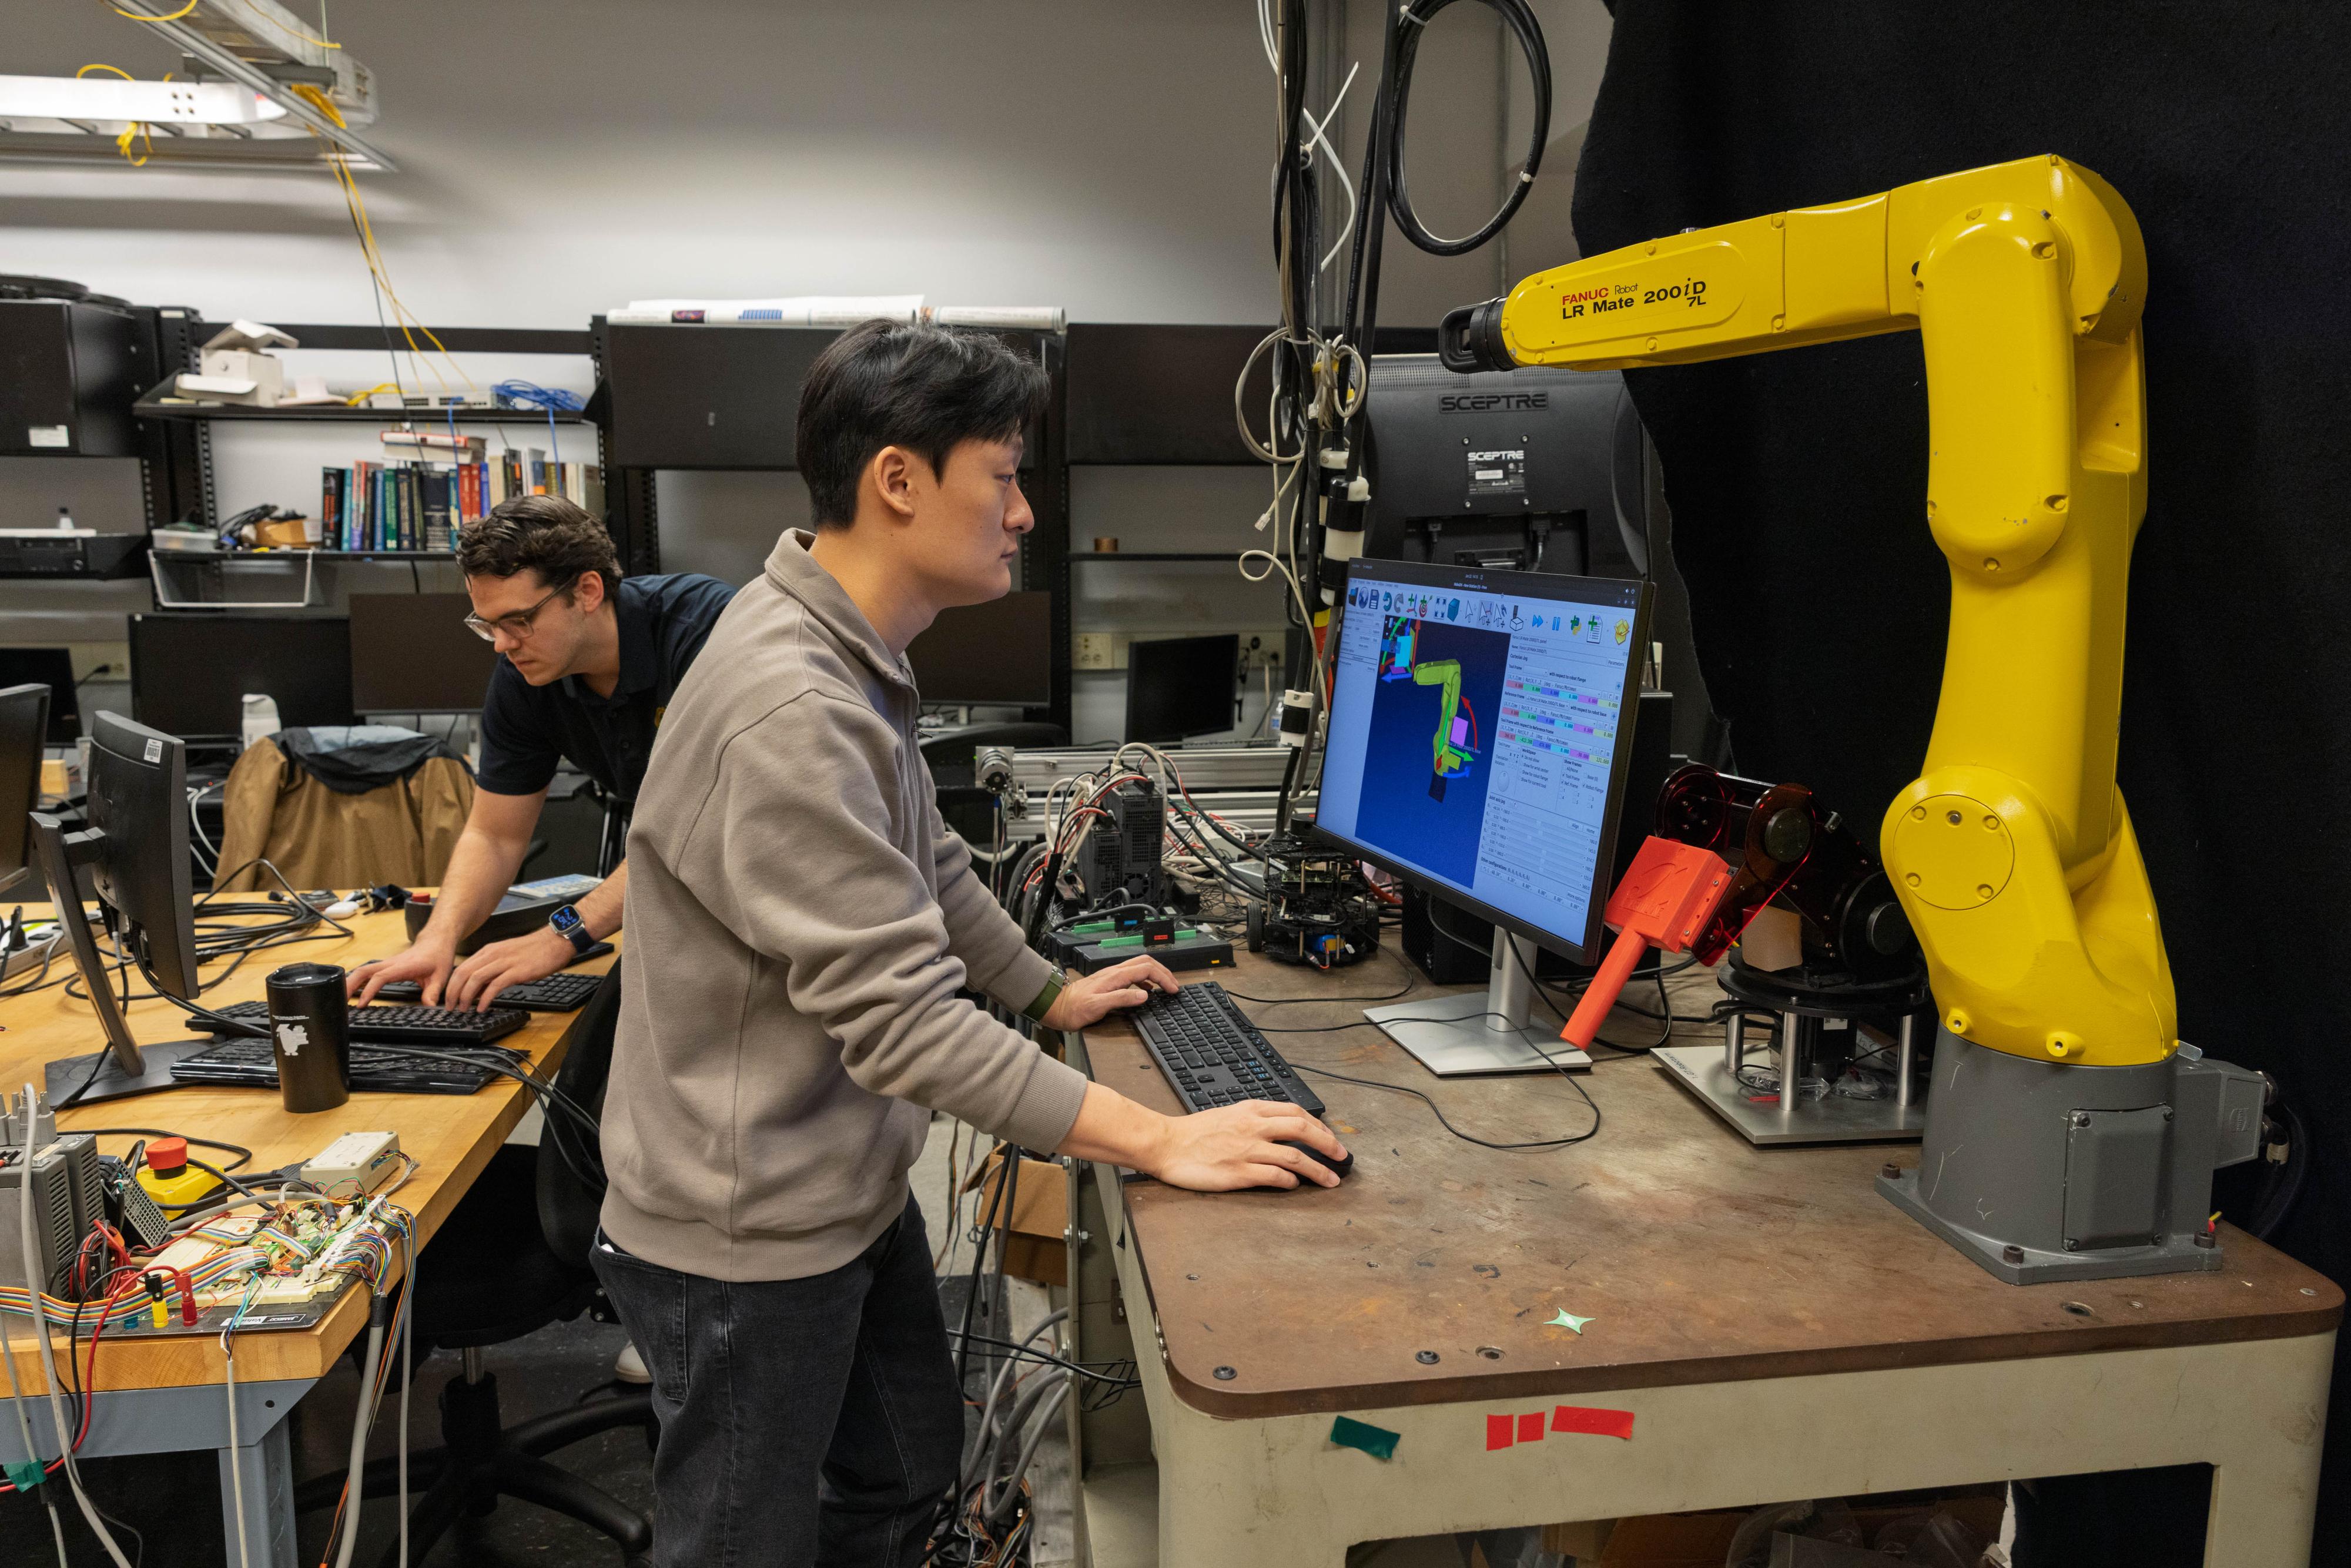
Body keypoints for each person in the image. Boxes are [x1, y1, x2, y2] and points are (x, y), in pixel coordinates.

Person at [594, 319, 1348, 1566]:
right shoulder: (792, 701)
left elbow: (927, 860)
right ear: (897, 480)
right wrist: (1159, 1135)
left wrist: (1049, 990)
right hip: (742, 1239)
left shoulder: (844, 644)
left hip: (833, 1189)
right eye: (1001, 476)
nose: (1022, 512)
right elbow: (899, 1022)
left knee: (900, 1480)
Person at [345, 495, 735, 1010]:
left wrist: (560, 937)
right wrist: (437, 939)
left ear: (589, 590)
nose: (501, 645)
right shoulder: (526, 675)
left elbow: (694, 831)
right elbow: (495, 834)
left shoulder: (707, 635)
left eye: (518, 620)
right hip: (682, 890)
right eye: (486, 624)